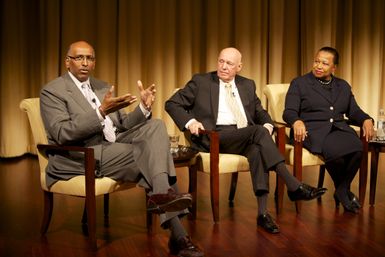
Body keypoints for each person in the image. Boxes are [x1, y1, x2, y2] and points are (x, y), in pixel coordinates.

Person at [40, 41, 204, 257]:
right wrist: (100, 112)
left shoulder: (101, 86)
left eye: (89, 58)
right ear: (67, 61)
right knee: (153, 157)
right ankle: (178, 235)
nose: (85, 63)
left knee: (155, 126)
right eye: (79, 58)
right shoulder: (53, 91)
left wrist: (143, 108)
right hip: (85, 153)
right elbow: (62, 134)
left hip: (115, 144)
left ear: (94, 62)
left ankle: (163, 197)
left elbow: (122, 125)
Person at [165, 47, 326, 234]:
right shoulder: (201, 81)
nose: (223, 67)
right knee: (257, 133)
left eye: (229, 63)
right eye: (221, 61)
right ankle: (293, 184)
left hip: (245, 135)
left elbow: (261, 113)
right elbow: (172, 103)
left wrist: (267, 126)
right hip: (215, 136)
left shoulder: (247, 85)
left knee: (258, 150)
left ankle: (262, 214)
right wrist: (190, 122)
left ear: (239, 67)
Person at [283, 46, 374, 214]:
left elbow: (353, 111)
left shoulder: (343, 86)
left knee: (358, 149)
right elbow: (289, 111)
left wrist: (367, 119)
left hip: (338, 128)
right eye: (316, 61)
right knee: (337, 154)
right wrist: (296, 121)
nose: (318, 66)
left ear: (334, 68)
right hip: (311, 130)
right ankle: (343, 191)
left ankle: (341, 189)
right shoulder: (300, 83)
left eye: (324, 63)